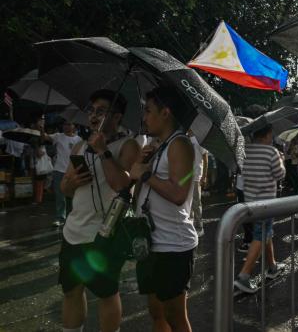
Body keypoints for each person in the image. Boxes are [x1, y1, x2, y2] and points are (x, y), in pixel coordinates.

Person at [58, 90, 141, 332]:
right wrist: (72, 182)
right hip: (73, 230)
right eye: (91, 111)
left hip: (105, 233)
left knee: (107, 293)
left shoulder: (128, 146)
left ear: (117, 117)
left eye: (101, 111)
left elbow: (122, 186)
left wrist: (104, 151)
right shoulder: (79, 147)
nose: (93, 116)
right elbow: (65, 189)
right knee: (71, 290)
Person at [130, 86, 197, 332]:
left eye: (148, 111)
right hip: (151, 242)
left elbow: (179, 194)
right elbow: (138, 192)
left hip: (173, 244)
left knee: (174, 315)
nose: (144, 117)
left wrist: (146, 174)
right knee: (156, 311)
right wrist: (141, 165)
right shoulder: (159, 145)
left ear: (166, 112)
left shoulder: (180, 144)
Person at [234, 124, 287, 293]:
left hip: (250, 202)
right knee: (261, 234)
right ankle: (244, 276)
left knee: (265, 232)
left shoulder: (245, 151)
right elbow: (280, 174)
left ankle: (272, 267)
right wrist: (281, 160)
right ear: (266, 135)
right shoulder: (271, 152)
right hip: (266, 203)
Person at [41, 120, 82, 226]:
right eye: (64, 124)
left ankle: (72, 218)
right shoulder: (58, 136)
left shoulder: (79, 140)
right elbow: (45, 137)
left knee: (73, 195)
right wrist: (41, 127)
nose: (66, 126)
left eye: (69, 124)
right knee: (60, 196)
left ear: (74, 126)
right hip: (59, 170)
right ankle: (60, 217)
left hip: (73, 171)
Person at [188, 130, 208, 237]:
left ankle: (200, 227)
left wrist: (204, 176)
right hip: (186, 177)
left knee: (196, 203)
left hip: (196, 176)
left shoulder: (199, 139)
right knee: (188, 203)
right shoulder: (184, 138)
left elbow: (205, 157)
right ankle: (190, 226)